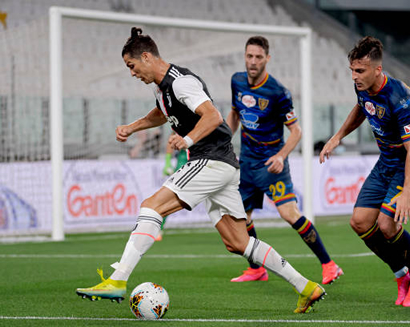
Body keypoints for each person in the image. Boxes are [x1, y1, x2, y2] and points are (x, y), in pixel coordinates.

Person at [76, 27, 325, 314]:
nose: (131, 73)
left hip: (210, 159)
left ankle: (117, 280)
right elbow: (161, 112)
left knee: (151, 207)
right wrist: (133, 127)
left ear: (146, 57)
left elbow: (213, 115)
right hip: (224, 165)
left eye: (131, 66)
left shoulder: (181, 82)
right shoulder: (162, 87)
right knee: (237, 242)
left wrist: (188, 139)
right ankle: (306, 286)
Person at [319, 36, 410, 307]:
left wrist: (406, 192)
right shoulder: (363, 87)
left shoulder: (401, 97)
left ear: (378, 70)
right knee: (359, 222)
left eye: (360, 71)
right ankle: (401, 275)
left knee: (386, 223)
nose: (354, 76)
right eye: (352, 71)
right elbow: (361, 109)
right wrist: (337, 137)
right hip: (386, 161)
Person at [226, 36, 343, 284]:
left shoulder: (278, 92)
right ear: (244, 56)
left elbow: (296, 131)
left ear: (267, 59)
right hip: (246, 163)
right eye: (250, 56)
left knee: (289, 214)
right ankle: (257, 269)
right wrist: (226, 137)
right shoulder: (236, 81)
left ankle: (329, 264)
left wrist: (281, 156)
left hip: (271, 165)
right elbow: (236, 113)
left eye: (259, 57)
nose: (253, 61)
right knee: (241, 218)